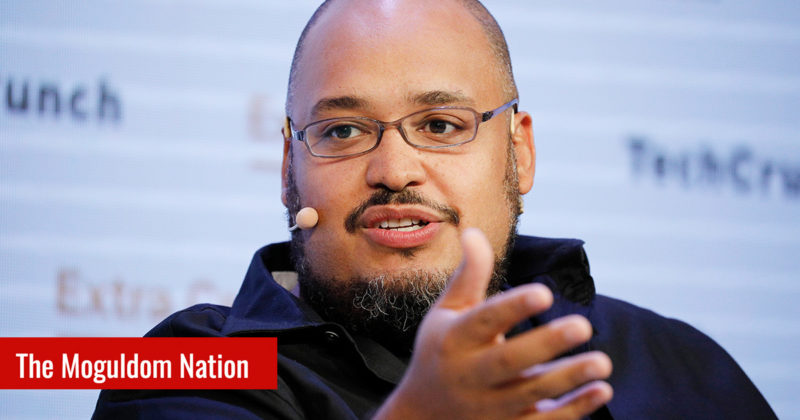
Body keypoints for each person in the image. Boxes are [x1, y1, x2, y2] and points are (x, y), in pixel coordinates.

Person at [93, 0, 776, 418]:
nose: (394, 170)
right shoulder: (183, 371)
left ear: (519, 154)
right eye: (342, 131)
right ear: (287, 168)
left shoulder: (674, 365)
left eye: (442, 125)